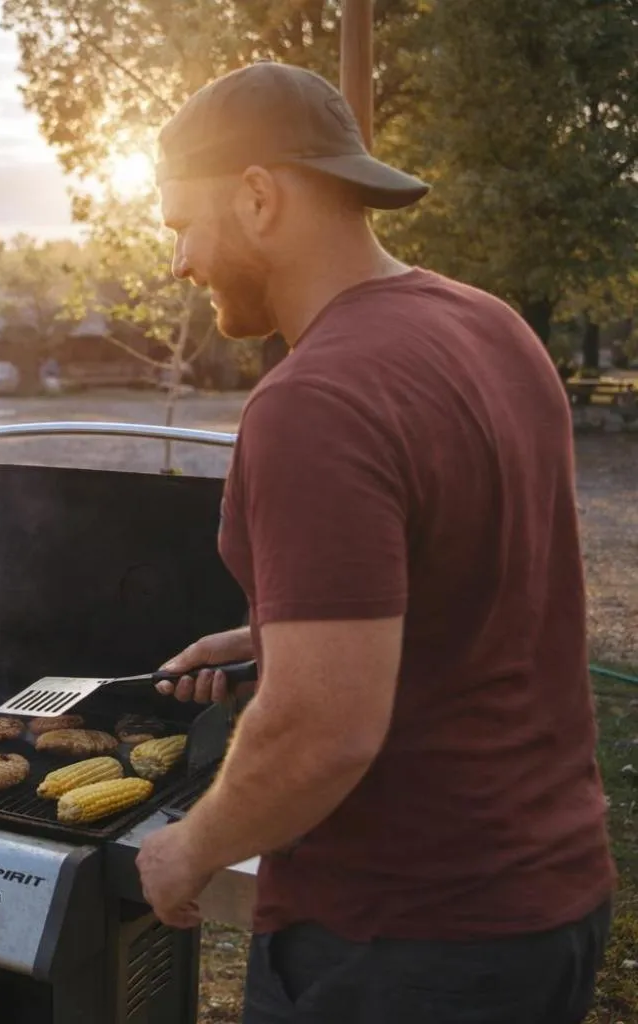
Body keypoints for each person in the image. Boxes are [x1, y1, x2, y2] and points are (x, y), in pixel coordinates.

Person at [134, 62, 614, 1023]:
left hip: (400, 942)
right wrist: (276, 636)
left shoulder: (315, 400)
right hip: (549, 906)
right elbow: (477, 588)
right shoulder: (493, 327)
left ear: (260, 197)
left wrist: (187, 851)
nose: (179, 262)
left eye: (183, 225)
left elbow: (323, 730)